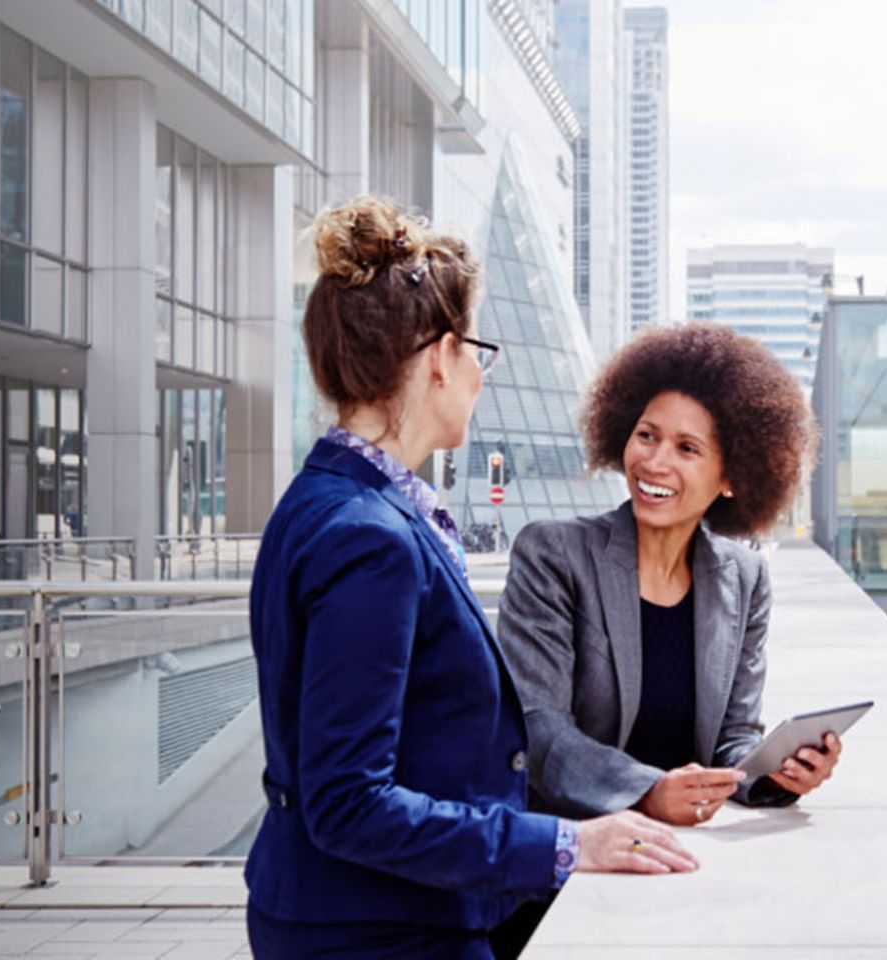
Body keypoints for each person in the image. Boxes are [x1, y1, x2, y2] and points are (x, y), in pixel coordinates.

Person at [244, 197, 696, 960]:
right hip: (380, 932)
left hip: (356, 914)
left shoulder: (331, 499)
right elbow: (349, 801)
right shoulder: (369, 537)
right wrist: (565, 845)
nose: (481, 377)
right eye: (478, 353)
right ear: (439, 358)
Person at [499, 322, 839, 829]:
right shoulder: (553, 554)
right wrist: (646, 791)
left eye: (687, 448)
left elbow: (734, 737)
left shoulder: (744, 577)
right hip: (572, 852)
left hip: (682, 851)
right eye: (647, 436)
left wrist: (774, 773)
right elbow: (539, 727)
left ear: (730, 477)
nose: (654, 462)